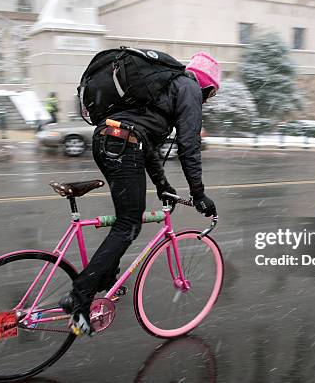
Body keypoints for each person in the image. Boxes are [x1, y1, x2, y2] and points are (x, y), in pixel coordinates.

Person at [60, 51, 220, 335]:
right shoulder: (190, 88)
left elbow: (143, 141)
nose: (206, 100)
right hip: (123, 143)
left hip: (107, 139)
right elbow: (188, 145)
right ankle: (80, 295)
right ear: (206, 87)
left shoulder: (162, 88)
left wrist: (162, 186)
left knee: (126, 218)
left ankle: (105, 278)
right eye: (210, 96)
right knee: (128, 225)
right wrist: (199, 193)